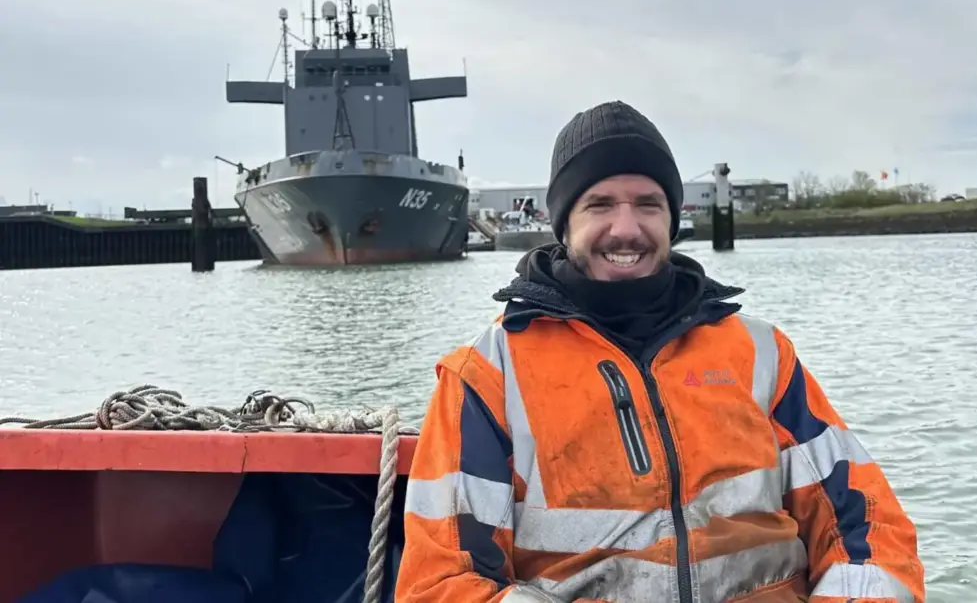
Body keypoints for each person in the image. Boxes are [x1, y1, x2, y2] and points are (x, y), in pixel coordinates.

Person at [395, 100, 925, 602]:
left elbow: (867, 525)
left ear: (671, 218)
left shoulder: (761, 353)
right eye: (600, 204)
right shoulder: (489, 375)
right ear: (564, 224)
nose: (627, 229)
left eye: (648, 204)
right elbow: (443, 581)